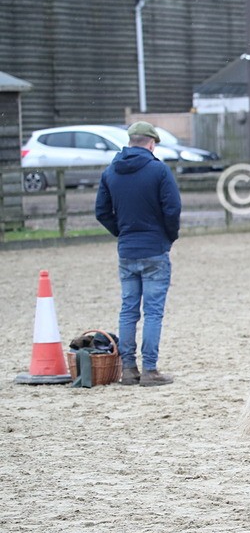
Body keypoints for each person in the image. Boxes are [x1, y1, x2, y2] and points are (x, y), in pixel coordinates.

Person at [95, 121, 181, 387]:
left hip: (127, 250)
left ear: (130, 141)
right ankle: (150, 369)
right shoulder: (158, 171)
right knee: (153, 312)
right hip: (154, 249)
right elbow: (172, 209)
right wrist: (168, 236)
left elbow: (101, 211)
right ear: (152, 143)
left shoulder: (111, 172)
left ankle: (129, 369)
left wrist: (121, 232)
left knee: (128, 310)